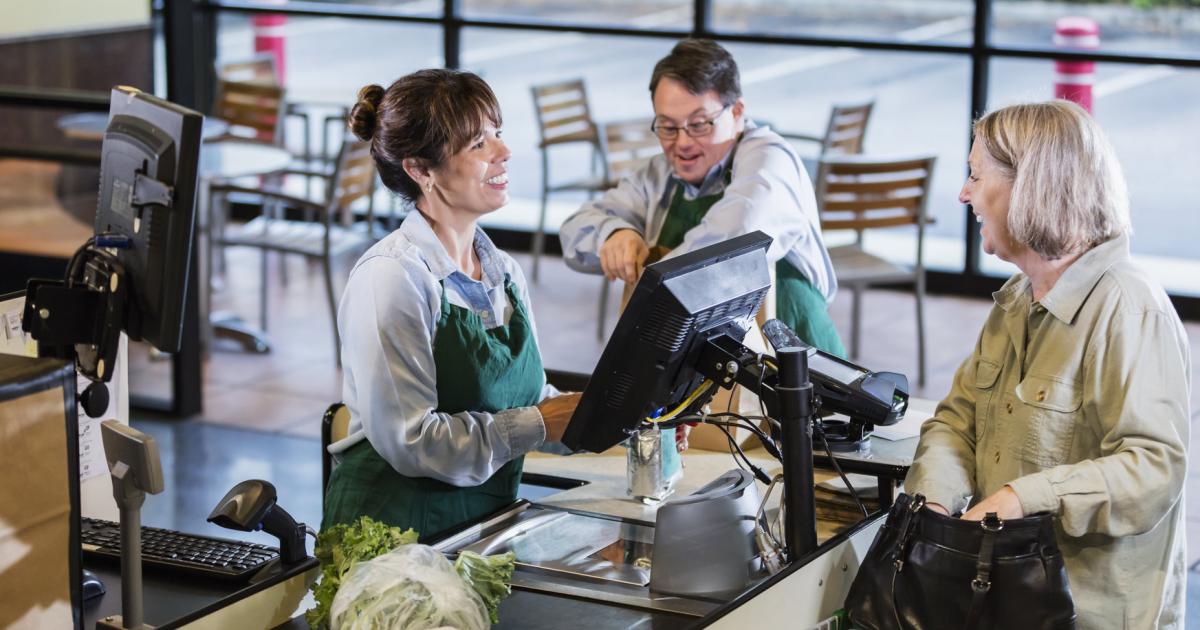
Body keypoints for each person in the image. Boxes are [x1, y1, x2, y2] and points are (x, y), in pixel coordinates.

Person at [904, 100, 1189, 628]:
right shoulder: (1019, 297)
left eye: (975, 175)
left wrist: (1022, 498)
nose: (964, 193)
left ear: (1031, 187)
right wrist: (937, 503)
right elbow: (956, 420)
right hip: (1005, 599)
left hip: (1084, 614)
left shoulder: (1128, 308)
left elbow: (1154, 469)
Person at [323, 69, 580, 539]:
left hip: (482, 530)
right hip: (394, 542)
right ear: (421, 170)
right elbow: (414, 442)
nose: (503, 152)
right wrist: (542, 423)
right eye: (478, 144)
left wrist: (607, 419)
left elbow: (526, 403)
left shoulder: (504, 271)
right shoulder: (392, 278)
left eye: (497, 134)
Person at [559, 39, 845, 357]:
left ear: (736, 112)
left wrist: (648, 300)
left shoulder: (769, 160)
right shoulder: (657, 175)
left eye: (698, 124)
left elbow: (726, 249)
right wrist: (613, 233)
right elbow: (574, 232)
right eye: (667, 126)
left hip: (798, 357)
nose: (682, 143)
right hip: (708, 362)